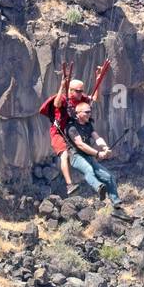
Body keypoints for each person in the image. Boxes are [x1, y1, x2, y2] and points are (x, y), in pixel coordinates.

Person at [39, 59, 111, 194]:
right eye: (77, 91)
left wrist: (98, 80)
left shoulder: (81, 99)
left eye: (81, 91)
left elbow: (96, 99)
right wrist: (62, 86)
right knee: (64, 154)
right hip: (59, 132)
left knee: (85, 146)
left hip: (73, 130)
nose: (80, 93)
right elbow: (56, 104)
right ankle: (69, 185)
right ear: (71, 90)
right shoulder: (64, 98)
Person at [65, 100, 122, 208]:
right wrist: (97, 153)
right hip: (76, 156)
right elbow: (80, 145)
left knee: (109, 177)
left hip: (88, 156)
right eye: (86, 112)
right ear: (78, 113)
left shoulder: (88, 125)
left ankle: (116, 203)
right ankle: (99, 187)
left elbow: (97, 138)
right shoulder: (71, 127)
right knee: (88, 170)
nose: (89, 114)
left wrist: (105, 147)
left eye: (90, 112)